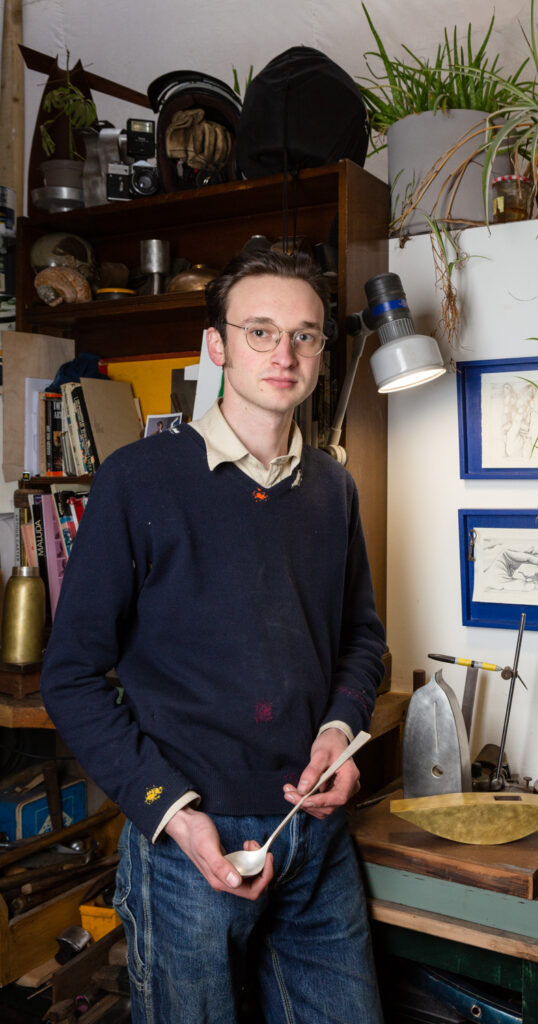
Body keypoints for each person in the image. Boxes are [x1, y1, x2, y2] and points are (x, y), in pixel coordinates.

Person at [40, 249, 386, 1023]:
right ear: (219, 346)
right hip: (185, 845)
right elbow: (69, 676)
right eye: (260, 331)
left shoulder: (333, 486)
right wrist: (174, 814)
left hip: (315, 837)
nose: (284, 353)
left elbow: (361, 639)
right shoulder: (137, 479)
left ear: (323, 352)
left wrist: (340, 733)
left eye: (304, 335)